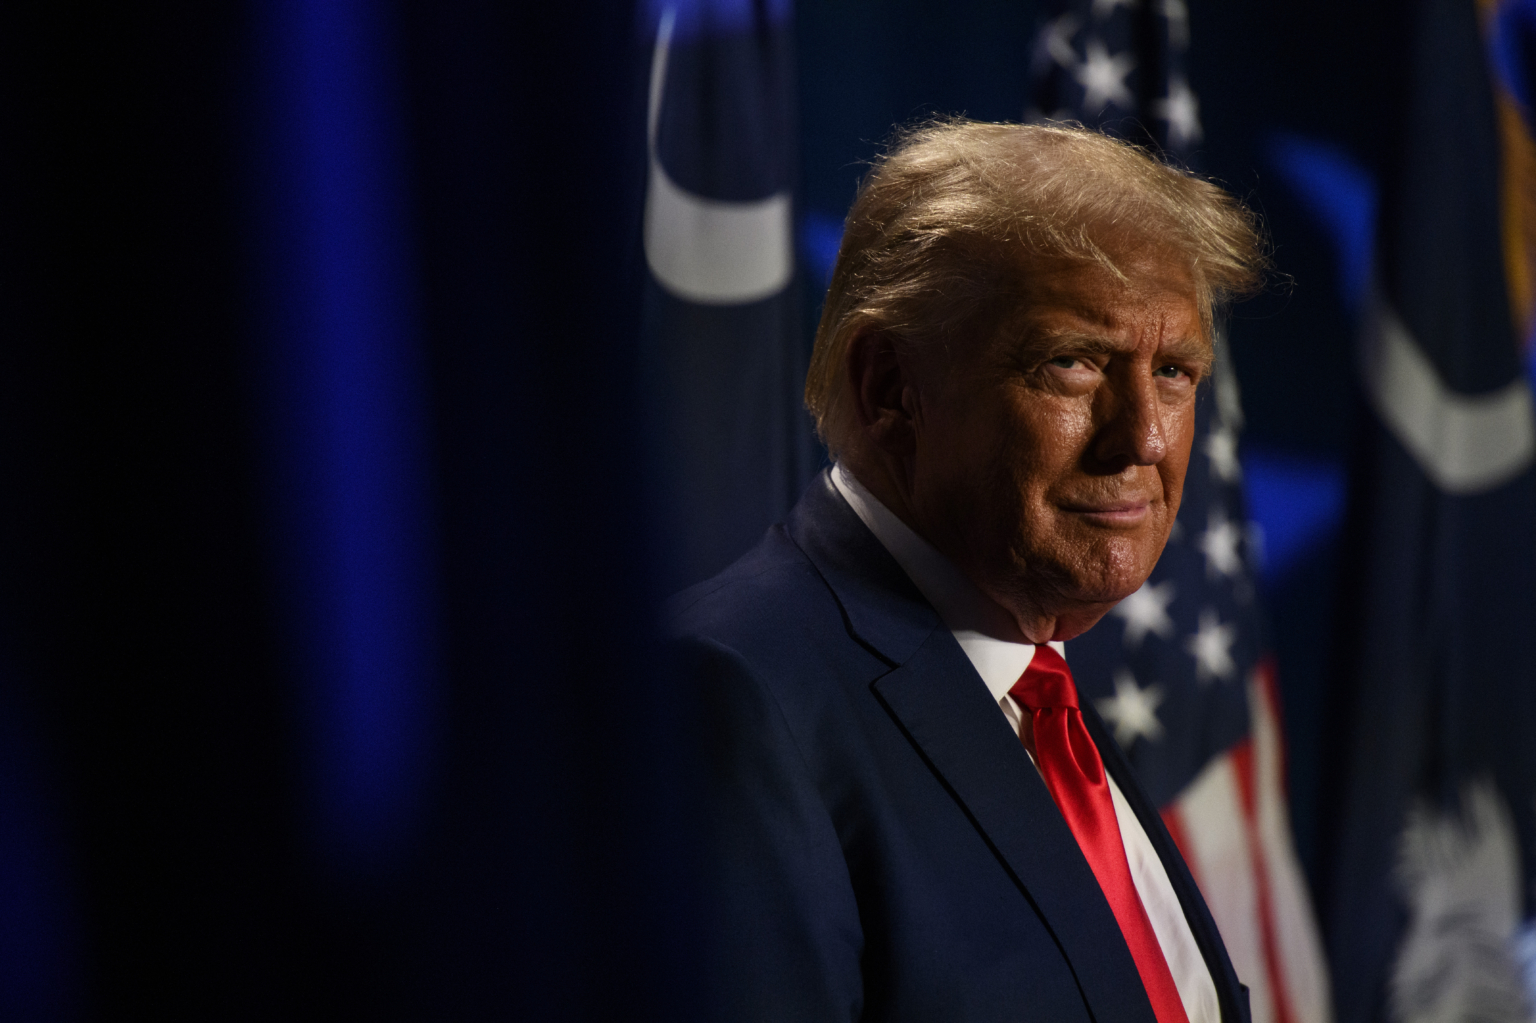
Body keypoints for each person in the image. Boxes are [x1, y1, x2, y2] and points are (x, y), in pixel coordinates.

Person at [667, 119, 1268, 1023]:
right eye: (1074, 363)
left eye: (1176, 371)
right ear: (889, 388)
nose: (1143, 435)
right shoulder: (734, 693)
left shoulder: (1033, 680)